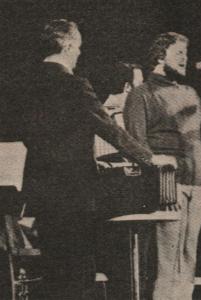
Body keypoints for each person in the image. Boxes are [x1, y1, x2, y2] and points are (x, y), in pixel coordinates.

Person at [21, 19, 175, 300]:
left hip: (41, 192)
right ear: (67, 45)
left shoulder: (28, 83)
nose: (79, 52)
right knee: (79, 274)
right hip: (74, 192)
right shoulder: (73, 84)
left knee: (54, 272)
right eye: (78, 46)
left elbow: (27, 134)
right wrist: (149, 159)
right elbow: (110, 129)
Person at [123, 32, 201, 300]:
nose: (186, 59)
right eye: (180, 53)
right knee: (167, 262)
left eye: (187, 53)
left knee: (188, 258)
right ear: (161, 56)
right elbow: (138, 146)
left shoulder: (190, 92)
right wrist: (164, 187)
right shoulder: (142, 94)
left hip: (198, 185)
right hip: (169, 187)